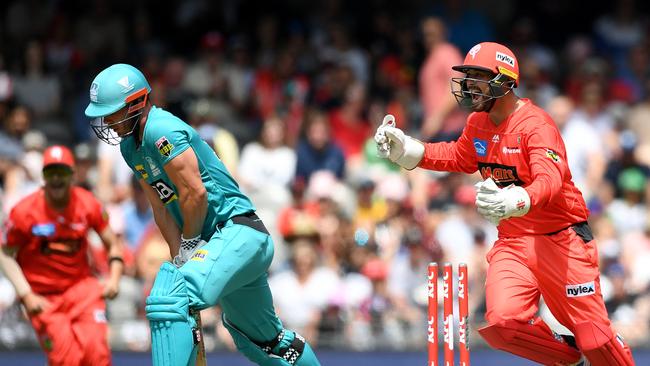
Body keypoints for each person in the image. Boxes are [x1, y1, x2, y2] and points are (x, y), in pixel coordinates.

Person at [374, 42, 635, 365]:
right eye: (467, 78)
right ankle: (570, 360)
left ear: (504, 80)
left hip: (562, 240)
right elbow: (459, 156)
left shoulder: (536, 125)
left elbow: (550, 180)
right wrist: (409, 150)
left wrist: (517, 198)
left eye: (477, 77)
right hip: (513, 240)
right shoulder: (477, 124)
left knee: (594, 338)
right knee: (503, 325)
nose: (469, 86)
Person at [84, 63, 320, 366]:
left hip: (237, 232)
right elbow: (161, 206)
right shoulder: (130, 148)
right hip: (220, 246)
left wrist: (190, 243)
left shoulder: (160, 128)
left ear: (137, 102)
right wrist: (179, 257)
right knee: (263, 342)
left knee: (172, 297)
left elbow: (195, 193)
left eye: (113, 112)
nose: (107, 121)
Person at [0, 145, 124, 366]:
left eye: (63, 172)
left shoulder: (88, 204)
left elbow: (113, 244)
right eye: (51, 173)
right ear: (43, 177)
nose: (56, 179)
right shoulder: (24, 212)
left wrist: (114, 278)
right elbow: (4, 253)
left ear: (73, 175)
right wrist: (26, 295)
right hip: (44, 298)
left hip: (82, 290)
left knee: (97, 355)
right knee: (67, 360)